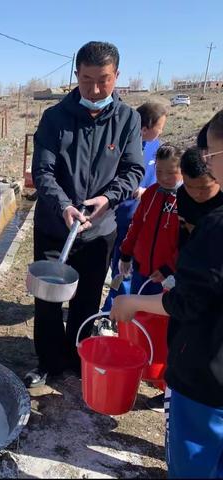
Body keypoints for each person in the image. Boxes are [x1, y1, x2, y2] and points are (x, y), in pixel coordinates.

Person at [110, 109, 223, 478]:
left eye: (213, 155)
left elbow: (190, 295)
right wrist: (127, 254)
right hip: (203, 353)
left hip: (204, 375)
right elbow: (142, 225)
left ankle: (160, 381)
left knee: (196, 459)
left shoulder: (210, 223)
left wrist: (160, 282)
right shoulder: (158, 197)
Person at [25, 41, 145, 388]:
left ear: (117, 76)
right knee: (48, 300)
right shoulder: (54, 118)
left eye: (103, 80)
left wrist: (108, 199)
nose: (94, 89)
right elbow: (43, 172)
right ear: (76, 75)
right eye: (87, 79)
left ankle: (79, 359)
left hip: (98, 229)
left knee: (88, 297)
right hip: (55, 225)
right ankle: (48, 360)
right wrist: (63, 204)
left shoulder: (127, 119)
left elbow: (133, 169)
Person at [103, 102, 168, 310]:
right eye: (160, 126)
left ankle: (114, 308)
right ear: (144, 128)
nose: (162, 131)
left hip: (136, 221)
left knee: (125, 268)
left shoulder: (157, 147)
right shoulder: (120, 143)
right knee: (109, 264)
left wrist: (146, 192)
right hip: (112, 217)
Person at [119, 144, 183, 295]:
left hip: (167, 277)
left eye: (171, 172)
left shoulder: (187, 200)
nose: (164, 177)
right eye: (159, 171)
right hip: (141, 269)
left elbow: (188, 242)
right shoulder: (151, 193)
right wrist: (126, 254)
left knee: (157, 317)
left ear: (183, 170)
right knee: (137, 314)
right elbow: (136, 225)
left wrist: (170, 268)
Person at [177, 146, 223, 247]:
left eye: (204, 188)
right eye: (188, 186)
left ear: (218, 178)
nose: (196, 193)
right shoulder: (182, 195)